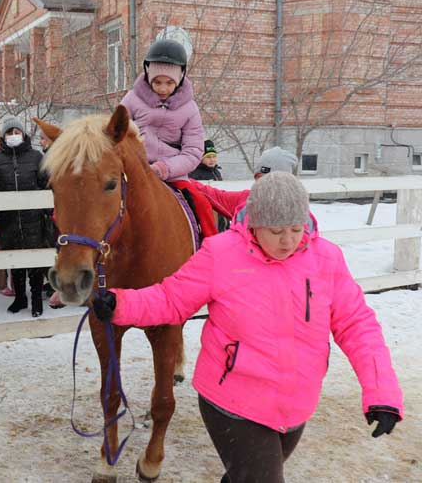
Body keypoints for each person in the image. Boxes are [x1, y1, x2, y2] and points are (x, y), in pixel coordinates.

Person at [93, 172, 403, 483]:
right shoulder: (221, 254)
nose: (288, 240)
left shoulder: (326, 259)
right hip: (232, 400)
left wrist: (382, 392)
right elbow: (171, 298)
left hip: (295, 405)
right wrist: (120, 304)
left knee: (246, 476)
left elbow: (357, 324)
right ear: (254, 223)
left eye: (297, 229)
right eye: (277, 230)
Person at [120, 38, 216, 240]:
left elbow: (193, 151)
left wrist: (164, 168)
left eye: (169, 83)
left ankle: (209, 249)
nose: (163, 88)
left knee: (201, 204)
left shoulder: (190, 109)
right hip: (134, 172)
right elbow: (115, 134)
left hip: (174, 176)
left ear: (180, 78)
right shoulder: (131, 99)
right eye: (157, 82)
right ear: (148, 76)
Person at [0, 117, 48, 316]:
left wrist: (44, 209)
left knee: (34, 261)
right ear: (3, 136)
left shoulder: (36, 157)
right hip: (8, 219)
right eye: (9, 133)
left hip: (33, 218)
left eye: (17, 132)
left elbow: (46, 183)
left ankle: (37, 300)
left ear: (23, 134)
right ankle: (20, 297)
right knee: (15, 260)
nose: (14, 136)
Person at [192, 146, 298, 222]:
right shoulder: (246, 199)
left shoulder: (298, 214)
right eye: (259, 178)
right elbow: (216, 196)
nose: (262, 185)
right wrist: (186, 181)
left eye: (270, 180)